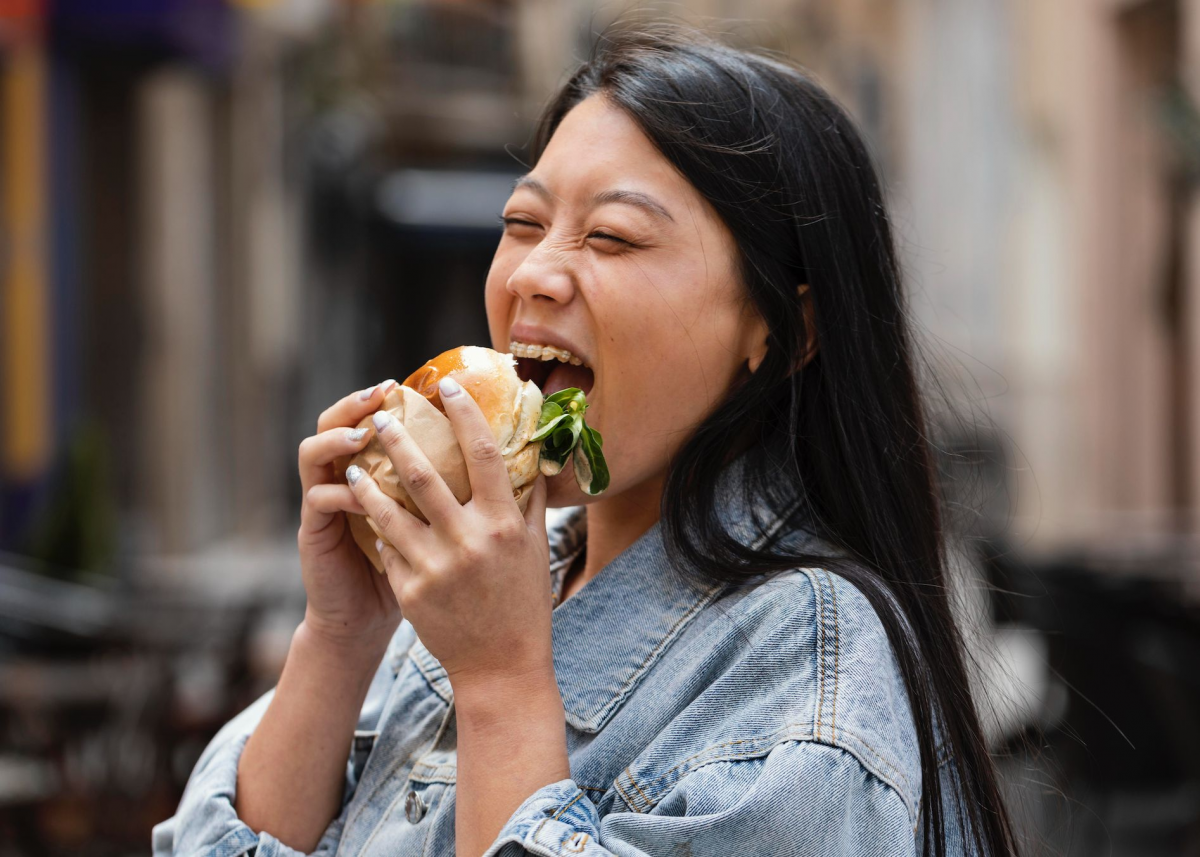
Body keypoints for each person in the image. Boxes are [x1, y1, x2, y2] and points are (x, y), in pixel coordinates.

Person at [153, 23, 1018, 857]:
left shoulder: (809, 671)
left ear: (785, 332)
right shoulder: (499, 576)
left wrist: (500, 684)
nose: (532, 272)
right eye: (524, 224)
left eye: (612, 236)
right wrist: (342, 634)